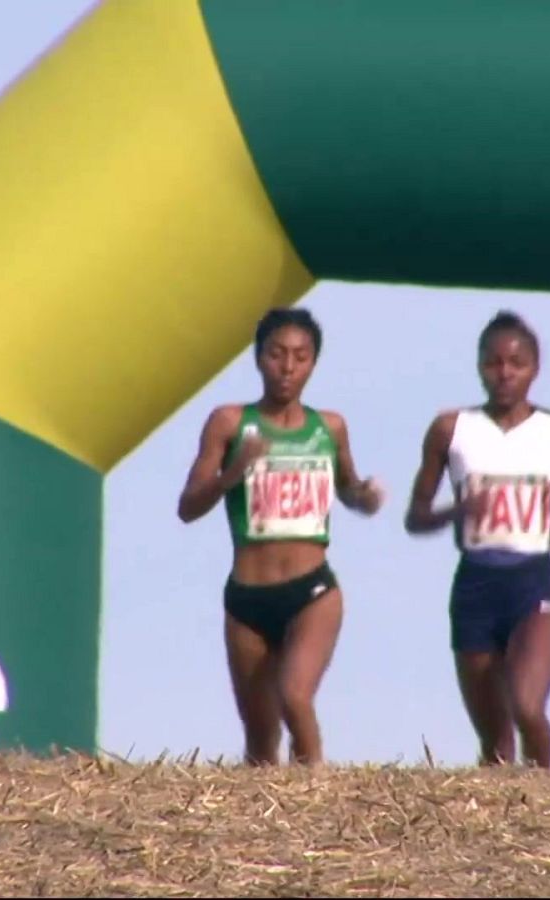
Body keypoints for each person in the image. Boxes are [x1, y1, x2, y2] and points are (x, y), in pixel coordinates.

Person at [403, 311, 550, 769]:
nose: (504, 375)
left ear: (534, 369)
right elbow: (416, 517)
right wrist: (457, 510)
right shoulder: (450, 430)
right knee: (495, 741)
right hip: (475, 586)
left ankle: (548, 796)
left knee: (526, 706)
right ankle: (503, 827)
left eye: (515, 364)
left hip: (534, 582)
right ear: (479, 367)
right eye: (493, 364)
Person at [177, 307, 384, 766]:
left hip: (311, 591)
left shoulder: (329, 427)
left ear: (313, 363)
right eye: (277, 355)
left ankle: (316, 800)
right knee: (259, 739)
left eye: (300, 357)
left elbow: (348, 488)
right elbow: (187, 507)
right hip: (248, 599)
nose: (288, 368)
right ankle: (265, 830)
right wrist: (234, 471)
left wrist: (366, 497)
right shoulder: (229, 423)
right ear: (258, 359)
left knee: (295, 696)